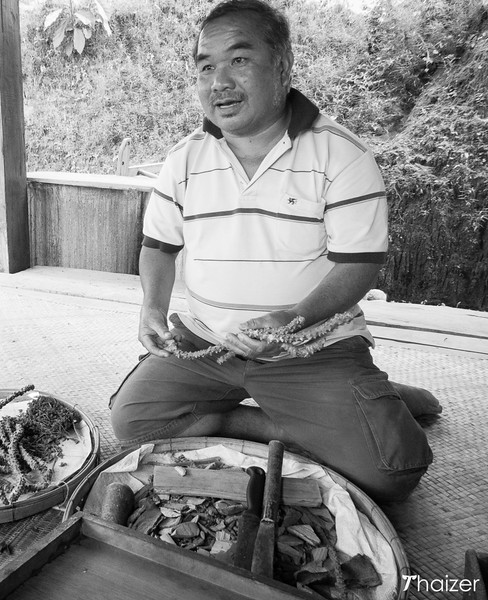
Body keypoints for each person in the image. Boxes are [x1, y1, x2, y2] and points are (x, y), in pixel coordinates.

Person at [109, 0, 438, 503]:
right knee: (133, 426)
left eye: (239, 60)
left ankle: (378, 400)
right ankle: (267, 418)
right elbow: (158, 245)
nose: (219, 80)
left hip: (309, 345)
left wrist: (293, 318)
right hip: (206, 344)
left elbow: (360, 265)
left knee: (392, 474)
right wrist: (151, 308)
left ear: (283, 67)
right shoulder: (184, 159)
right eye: (205, 66)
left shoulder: (340, 153)